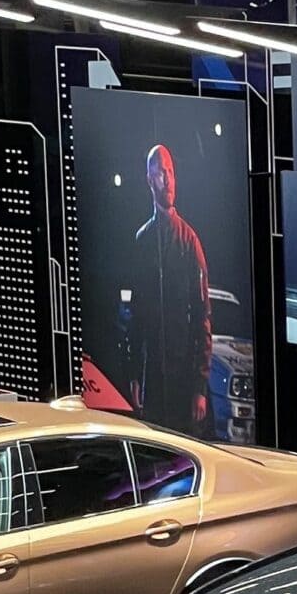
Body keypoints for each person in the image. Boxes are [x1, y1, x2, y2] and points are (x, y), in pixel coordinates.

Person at [126, 143, 212, 433]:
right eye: (161, 173)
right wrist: (135, 373)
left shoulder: (189, 241)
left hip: (182, 382)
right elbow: (136, 315)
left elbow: (203, 317)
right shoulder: (142, 241)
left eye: (171, 172)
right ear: (149, 180)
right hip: (153, 380)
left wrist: (199, 387)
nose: (168, 179)